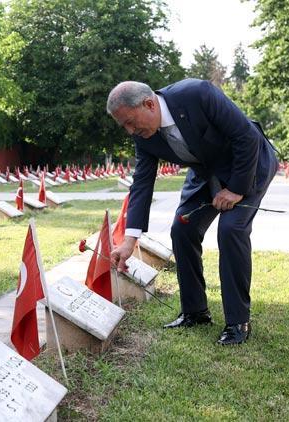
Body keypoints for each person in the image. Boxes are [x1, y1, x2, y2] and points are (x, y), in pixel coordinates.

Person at [106, 79, 278, 345]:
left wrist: (235, 189)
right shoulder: (144, 137)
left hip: (248, 164)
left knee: (231, 229)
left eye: (130, 122)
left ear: (149, 104)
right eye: (123, 126)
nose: (129, 131)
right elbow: (142, 183)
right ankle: (195, 312)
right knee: (182, 229)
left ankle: (238, 322)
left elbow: (245, 136)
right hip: (206, 173)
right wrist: (130, 240)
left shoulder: (197, 94)